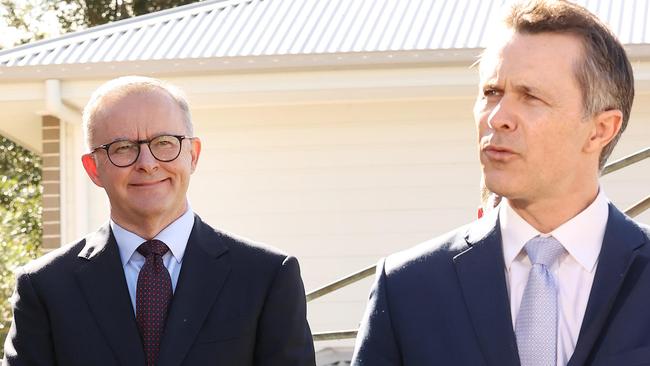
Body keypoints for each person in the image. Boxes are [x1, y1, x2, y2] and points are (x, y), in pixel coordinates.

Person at [352, 1, 650, 365]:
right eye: (492, 92)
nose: (498, 117)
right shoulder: (407, 289)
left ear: (600, 129)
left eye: (531, 97)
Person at [3, 76, 316, 366]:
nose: (148, 163)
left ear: (192, 154)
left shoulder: (267, 277)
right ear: (94, 168)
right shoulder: (46, 288)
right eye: (123, 148)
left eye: (164, 142)